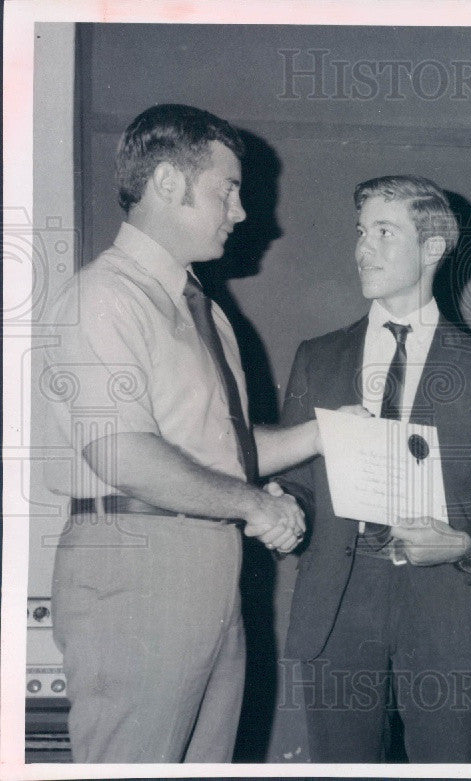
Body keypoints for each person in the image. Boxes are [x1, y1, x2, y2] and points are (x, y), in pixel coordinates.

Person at [41, 103, 322, 763]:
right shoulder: (103, 296)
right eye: (228, 188)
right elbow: (122, 451)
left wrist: (328, 435)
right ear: (169, 183)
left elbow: (223, 454)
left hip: (209, 571)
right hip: (139, 567)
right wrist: (256, 503)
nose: (243, 211)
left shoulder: (205, 311)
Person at [275, 175, 471, 762]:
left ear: (434, 248)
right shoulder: (317, 357)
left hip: (445, 609)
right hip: (338, 604)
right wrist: (284, 506)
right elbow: (295, 485)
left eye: (384, 233)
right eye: (361, 232)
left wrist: (462, 542)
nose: (363, 248)